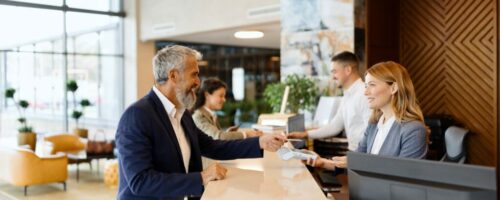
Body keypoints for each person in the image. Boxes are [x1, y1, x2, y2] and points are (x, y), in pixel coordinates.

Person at [115, 45, 287, 200]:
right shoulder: (137, 116)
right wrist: (202, 178)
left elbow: (213, 146)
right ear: (173, 76)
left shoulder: (183, 114)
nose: (198, 82)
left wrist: (260, 142)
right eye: (194, 74)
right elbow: (140, 181)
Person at [305, 61, 428, 170]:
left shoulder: (414, 130)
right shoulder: (374, 125)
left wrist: (358, 163)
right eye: (365, 86)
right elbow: (355, 161)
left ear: (393, 88)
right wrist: (321, 162)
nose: (365, 92)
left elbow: (405, 174)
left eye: (372, 85)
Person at [288, 51, 371, 151]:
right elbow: (335, 126)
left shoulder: (364, 94)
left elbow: (371, 134)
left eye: (334, 71)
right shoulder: (347, 96)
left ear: (348, 70)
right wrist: (305, 134)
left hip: (362, 157)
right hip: (353, 155)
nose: (332, 77)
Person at [192, 77, 262, 140]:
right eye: (221, 96)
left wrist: (228, 133)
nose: (224, 100)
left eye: (224, 96)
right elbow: (218, 136)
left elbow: (214, 137)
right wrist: (246, 134)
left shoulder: (211, 114)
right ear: (207, 95)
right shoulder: (198, 116)